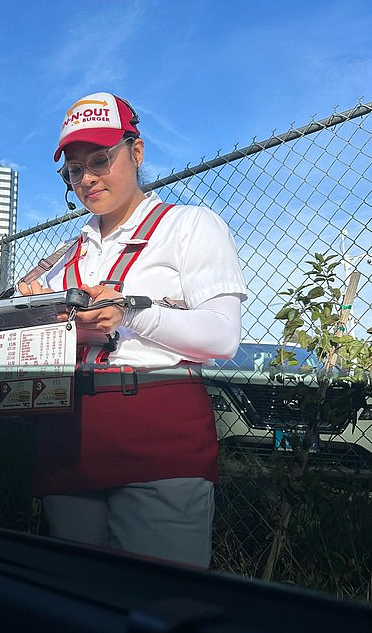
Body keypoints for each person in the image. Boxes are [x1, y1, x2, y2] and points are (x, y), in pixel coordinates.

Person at [18, 92, 247, 568]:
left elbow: (223, 337)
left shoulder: (189, 226)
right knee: (77, 596)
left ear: (136, 152)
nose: (87, 179)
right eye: (74, 170)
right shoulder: (62, 256)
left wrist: (133, 313)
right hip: (69, 436)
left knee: (160, 599)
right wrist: (35, 317)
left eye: (100, 159)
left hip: (158, 437)